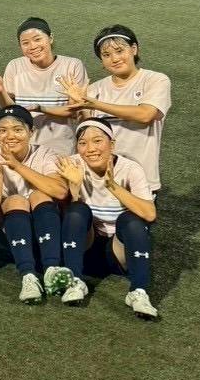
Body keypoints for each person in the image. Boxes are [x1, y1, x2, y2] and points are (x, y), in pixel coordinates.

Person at [54, 117, 160, 318]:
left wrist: (113, 186)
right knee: (76, 210)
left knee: (132, 220)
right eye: (83, 143)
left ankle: (138, 292)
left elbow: (149, 213)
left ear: (112, 144)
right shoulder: (72, 165)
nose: (90, 149)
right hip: (84, 250)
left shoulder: (130, 169)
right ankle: (75, 281)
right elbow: (63, 219)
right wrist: (74, 189)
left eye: (97, 141)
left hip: (118, 254)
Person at [0, 105, 69, 303]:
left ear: (31, 132)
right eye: (2, 130)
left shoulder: (44, 154)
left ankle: (51, 269)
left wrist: (17, 166)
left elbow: (60, 191)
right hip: (5, 239)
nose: (10, 136)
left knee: (39, 195)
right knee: (16, 200)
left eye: (18, 129)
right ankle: (28, 276)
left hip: (45, 236)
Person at [61, 25, 171, 193]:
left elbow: (146, 114)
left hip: (141, 180)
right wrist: (78, 105)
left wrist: (96, 104)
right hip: (99, 180)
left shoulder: (155, 80)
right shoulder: (94, 90)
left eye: (120, 51)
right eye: (106, 55)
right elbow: (88, 133)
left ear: (134, 49)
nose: (114, 58)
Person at [0, 17, 87, 155]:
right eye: (25, 43)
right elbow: (11, 110)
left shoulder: (72, 65)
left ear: (50, 38)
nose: (32, 46)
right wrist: (1, 91)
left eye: (37, 39)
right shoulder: (15, 66)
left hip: (61, 148)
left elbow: (74, 111)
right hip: (25, 150)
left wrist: (40, 108)